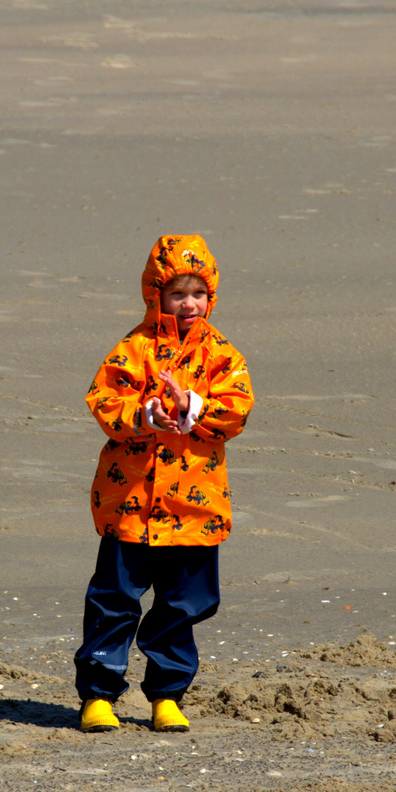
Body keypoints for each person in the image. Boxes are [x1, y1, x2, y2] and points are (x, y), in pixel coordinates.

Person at [73, 234, 254, 733]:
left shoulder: (222, 354)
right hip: (128, 502)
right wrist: (147, 414)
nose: (189, 303)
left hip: (195, 509)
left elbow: (236, 411)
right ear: (156, 295)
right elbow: (104, 404)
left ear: (211, 295)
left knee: (185, 603)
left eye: (198, 292)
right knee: (113, 599)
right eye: (178, 293)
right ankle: (98, 694)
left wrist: (193, 406)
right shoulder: (133, 349)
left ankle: (167, 695)